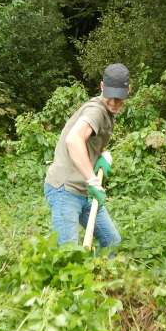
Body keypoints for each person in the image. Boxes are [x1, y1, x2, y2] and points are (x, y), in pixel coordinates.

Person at [44, 63, 130, 248]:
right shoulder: (96, 110)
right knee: (68, 253)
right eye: (110, 97)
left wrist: (102, 156)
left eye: (119, 98)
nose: (114, 103)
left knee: (111, 242)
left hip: (84, 191)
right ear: (101, 87)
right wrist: (92, 179)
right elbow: (74, 140)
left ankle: (97, 275)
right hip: (65, 189)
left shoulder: (107, 113)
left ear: (128, 91)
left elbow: (88, 141)